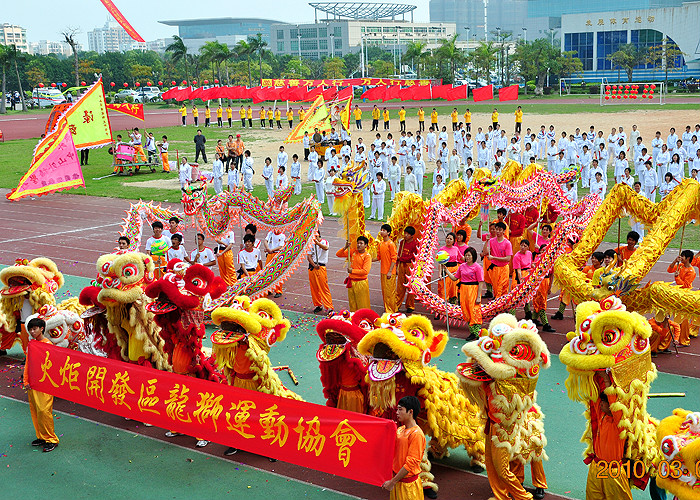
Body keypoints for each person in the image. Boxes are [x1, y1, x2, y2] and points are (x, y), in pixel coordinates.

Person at [22, 317, 60, 453]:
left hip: (44, 384)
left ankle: (51, 439)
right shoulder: (31, 344)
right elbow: (28, 364)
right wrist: (26, 381)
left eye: (35, 329)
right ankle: (42, 436)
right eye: (30, 329)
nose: (32, 332)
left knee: (44, 411)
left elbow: (52, 366)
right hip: (33, 384)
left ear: (41, 329)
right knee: (36, 411)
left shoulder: (47, 345)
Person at [382, 396, 426, 500]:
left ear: (411, 412)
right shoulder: (400, 429)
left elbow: (410, 463)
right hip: (398, 482)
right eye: (397, 409)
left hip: (408, 487)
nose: (397, 412)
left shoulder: (417, 434)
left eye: (400, 409)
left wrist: (392, 482)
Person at [336, 236, 372, 311]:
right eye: (358, 243)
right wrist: (345, 247)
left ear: (366, 245)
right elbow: (338, 254)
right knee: (352, 303)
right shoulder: (353, 252)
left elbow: (365, 271)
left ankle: (364, 319)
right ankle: (353, 318)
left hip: (361, 282)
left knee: (362, 303)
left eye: (361, 243)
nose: (359, 245)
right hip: (352, 282)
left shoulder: (367, 256)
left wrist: (352, 271)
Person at [307, 230, 333, 314]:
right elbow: (309, 256)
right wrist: (314, 265)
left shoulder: (324, 242)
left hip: (321, 267)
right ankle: (318, 305)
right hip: (313, 267)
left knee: (323, 287)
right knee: (314, 287)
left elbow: (325, 247)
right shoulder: (311, 244)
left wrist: (317, 243)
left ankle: (329, 307)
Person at [374, 224, 398, 313]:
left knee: (390, 293)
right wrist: (369, 259)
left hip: (390, 272)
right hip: (383, 272)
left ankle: (391, 310)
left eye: (384, 230)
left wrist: (390, 271)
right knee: (385, 292)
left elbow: (394, 259)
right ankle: (387, 309)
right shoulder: (380, 243)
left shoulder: (391, 244)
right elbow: (378, 257)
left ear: (388, 233)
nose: (381, 232)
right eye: (381, 230)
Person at [395, 226, 419, 314]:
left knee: (410, 286)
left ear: (412, 235)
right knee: (400, 287)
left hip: (410, 266)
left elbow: (413, 257)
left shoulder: (415, 244)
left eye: (408, 234)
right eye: (405, 233)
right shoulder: (402, 242)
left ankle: (410, 305)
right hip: (401, 266)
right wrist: (397, 266)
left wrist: (401, 258)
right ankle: (397, 305)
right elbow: (399, 254)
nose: (405, 235)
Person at [485, 222, 512, 298]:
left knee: (503, 287)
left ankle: (501, 305)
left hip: (504, 268)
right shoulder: (491, 241)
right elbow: (485, 252)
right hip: (495, 269)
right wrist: (486, 241)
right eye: (497, 229)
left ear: (504, 231)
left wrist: (493, 257)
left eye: (500, 230)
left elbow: (508, 258)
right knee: (496, 288)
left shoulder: (507, 243)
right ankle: (497, 303)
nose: (498, 231)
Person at [512, 239, 534, 319]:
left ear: (528, 247)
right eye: (521, 245)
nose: (523, 247)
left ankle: (528, 313)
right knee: (516, 296)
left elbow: (531, 264)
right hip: (519, 276)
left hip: (527, 275)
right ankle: (512, 314)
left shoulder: (529, 253)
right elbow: (518, 271)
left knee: (526, 295)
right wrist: (521, 281)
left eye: (525, 246)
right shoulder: (517, 256)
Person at [264, 228, 286, 297]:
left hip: (277, 254)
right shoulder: (270, 233)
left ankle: (278, 291)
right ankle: (268, 289)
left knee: (277, 272)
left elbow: (280, 246)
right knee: (267, 272)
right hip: (270, 254)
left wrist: (271, 249)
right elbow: (265, 241)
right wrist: (268, 248)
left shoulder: (282, 235)